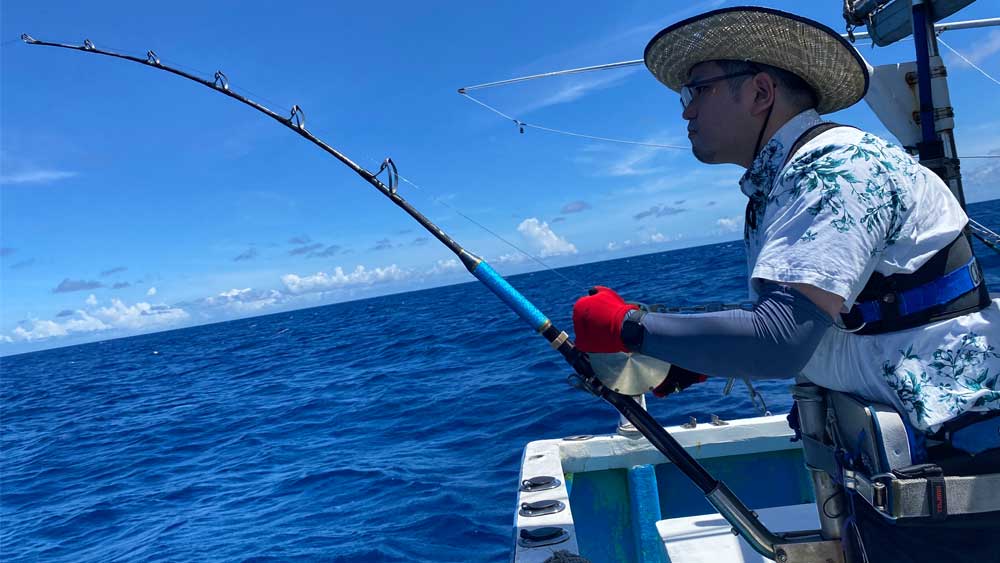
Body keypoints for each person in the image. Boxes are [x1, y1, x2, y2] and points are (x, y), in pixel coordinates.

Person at [570, 7, 1000, 563]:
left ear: (761, 91)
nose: (686, 111)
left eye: (695, 90)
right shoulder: (781, 184)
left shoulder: (836, 167)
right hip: (899, 468)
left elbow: (778, 337)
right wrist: (693, 358)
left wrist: (628, 328)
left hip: (956, 476)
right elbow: (831, 313)